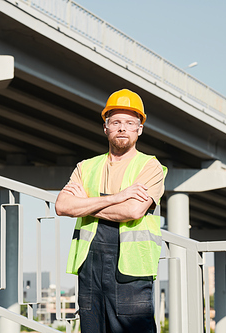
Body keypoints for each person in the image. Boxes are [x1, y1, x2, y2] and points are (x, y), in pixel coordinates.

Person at [55, 89, 167, 333]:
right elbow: (62, 206)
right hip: (89, 266)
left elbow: (134, 210)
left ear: (140, 129)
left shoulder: (149, 166)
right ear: (105, 127)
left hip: (131, 270)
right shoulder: (87, 167)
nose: (122, 128)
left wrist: (85, 204)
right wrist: (117, 198)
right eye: (115, 122)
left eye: (129, 123)